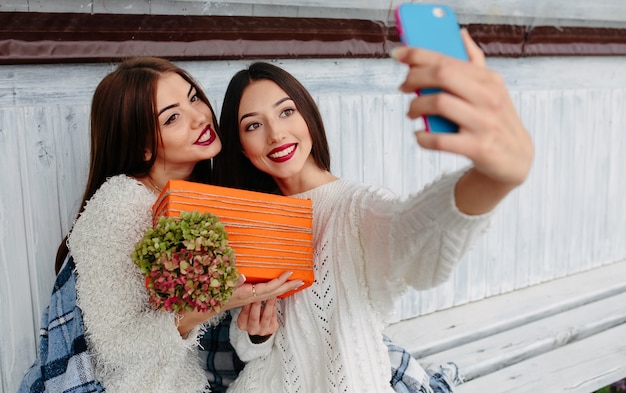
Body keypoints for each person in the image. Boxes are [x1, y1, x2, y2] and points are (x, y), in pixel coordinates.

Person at [213, 29, 534, 392]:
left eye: (286, 111)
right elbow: (249, 348)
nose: (275, 133)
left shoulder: (355, 206)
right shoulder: (250, 218)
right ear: (240, 147)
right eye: (253, 125)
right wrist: (256, 336)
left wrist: (494, 179)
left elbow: (415, 236)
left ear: (308, 117)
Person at [18, 57, 301, 393]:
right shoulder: (121, 206)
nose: (200, 117)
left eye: (193, 97)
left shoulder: (207, 203)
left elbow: (224, 339)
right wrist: (211, 304)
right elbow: (115, 347)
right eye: (172, 118)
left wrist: (255, 330)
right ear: (142, 145)